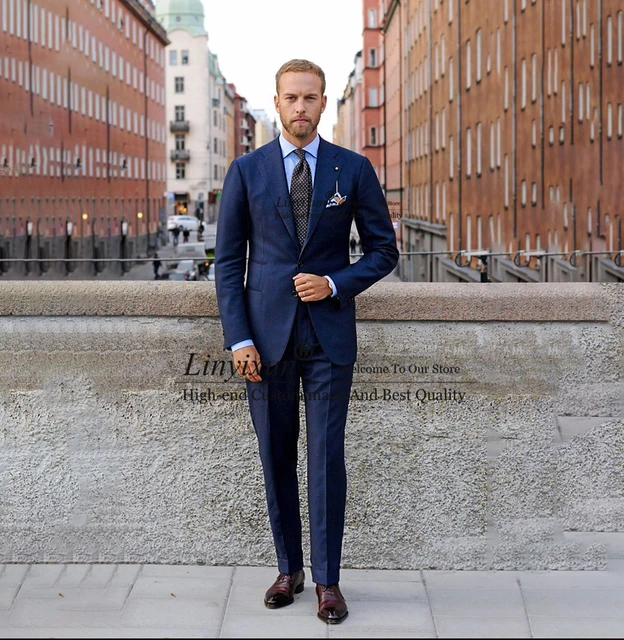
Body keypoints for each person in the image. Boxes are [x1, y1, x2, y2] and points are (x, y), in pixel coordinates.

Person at [215, 59, 398, 625]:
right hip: (264, 343)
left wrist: (335, 282)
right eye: (291, 98)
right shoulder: (246, 171)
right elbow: (226, 264)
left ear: (322, 105)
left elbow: (383, 250)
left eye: (310, 98)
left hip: (328, 339)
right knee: (275, 456)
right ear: (277, 101)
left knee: (325, 460)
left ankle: (328, 582)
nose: (300, 107)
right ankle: (287, 570)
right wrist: (238, 338)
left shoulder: (353, 169)